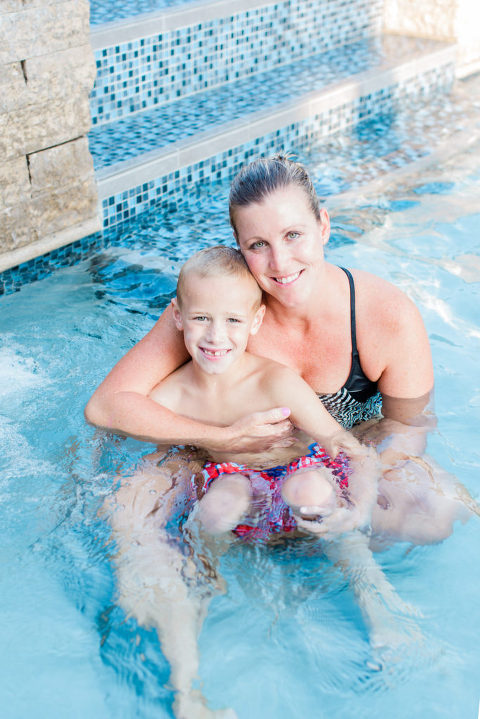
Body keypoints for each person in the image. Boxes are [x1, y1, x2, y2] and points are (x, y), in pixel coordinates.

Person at [104, 246, 424, 719]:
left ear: (255, 323)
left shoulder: (275, 381)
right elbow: (118, 430)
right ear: (177, 317)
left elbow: (344, 446)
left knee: (310, 490)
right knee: (217, 507)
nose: (216, 336)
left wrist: (358, 505)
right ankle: (194, 647)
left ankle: (377, 606)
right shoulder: (170, 396)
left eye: (232, 321)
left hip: (297, 477)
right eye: (201, 318)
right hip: (235, 487)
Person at [85, 154, 435, 503]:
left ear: (323, 226)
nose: (280, 262)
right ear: (239, 244)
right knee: (133, 499)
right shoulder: (214, 311)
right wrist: (218, 438)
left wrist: (360, 492)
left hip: (340, 460)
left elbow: (407, 428)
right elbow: (106, 406)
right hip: (231, 470)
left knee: (427, 515)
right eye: (258, 244)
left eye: (293, 235)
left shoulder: (386, 316)